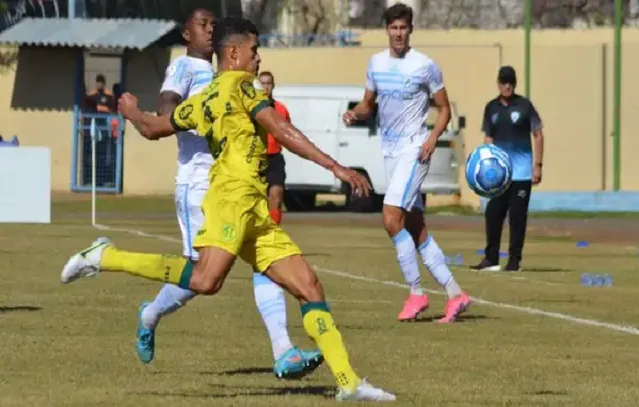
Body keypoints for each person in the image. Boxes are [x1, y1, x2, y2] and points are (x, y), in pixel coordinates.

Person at [60, 16, 395, 401]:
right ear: (233, 53)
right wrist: (336, 167)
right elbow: (280, 130)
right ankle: (105, 256)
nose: (259, 58)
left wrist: (133, 112)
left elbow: (154, 129)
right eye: (254, 50)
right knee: (205, 281)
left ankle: (348, 383)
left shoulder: (205, 99)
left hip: (253, 208)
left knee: (309, 286)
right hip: (230, 201)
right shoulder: (242, 87)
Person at [130, 8, 322, 379]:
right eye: (201, 25)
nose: (209, 29)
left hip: (236, 182)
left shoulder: (235, 75)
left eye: (212, 25)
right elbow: (167, 109)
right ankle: (150, 312)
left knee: (264, 260)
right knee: (200, 280)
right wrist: (205, 113)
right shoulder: (184, 69)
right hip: (199, 183)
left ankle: (283, 350)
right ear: (186, 34)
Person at [343, 3, 470, 323]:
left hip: (415, 150)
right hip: (389, 152)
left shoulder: (425, 66)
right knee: (415, 227)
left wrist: (430, 140)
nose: (398, 34)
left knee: (390, 216)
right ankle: (456, 294)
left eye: (403, 28)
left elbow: (444, 109)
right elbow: (368, 103)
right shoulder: (375, 63)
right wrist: (355, 113)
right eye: (393, 28)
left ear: (410, 30)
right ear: (387, 30)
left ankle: (416, 293)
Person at [471, 66, 544, 272]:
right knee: (493, 214)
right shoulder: (491, 108)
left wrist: (537, 166)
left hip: (521, 173)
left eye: (511, 82)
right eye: (504, 82)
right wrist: (486, 167)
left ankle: (514, 261)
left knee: (517, 217)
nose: (507, 86)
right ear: (498, 83)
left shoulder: (525, 106)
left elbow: (538, 134)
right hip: (498, 175)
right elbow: (488, 138)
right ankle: (491, 258)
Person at [258, 71, 288, 224]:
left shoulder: (281, 109)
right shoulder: (250, 109)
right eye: (262, 83)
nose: (265, 87)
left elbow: (288, 133)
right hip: (256, 158)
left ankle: (274, 233)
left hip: (275, 157)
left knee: (276, 195)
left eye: (268, 83)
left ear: (273, 86)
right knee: (257, 201)